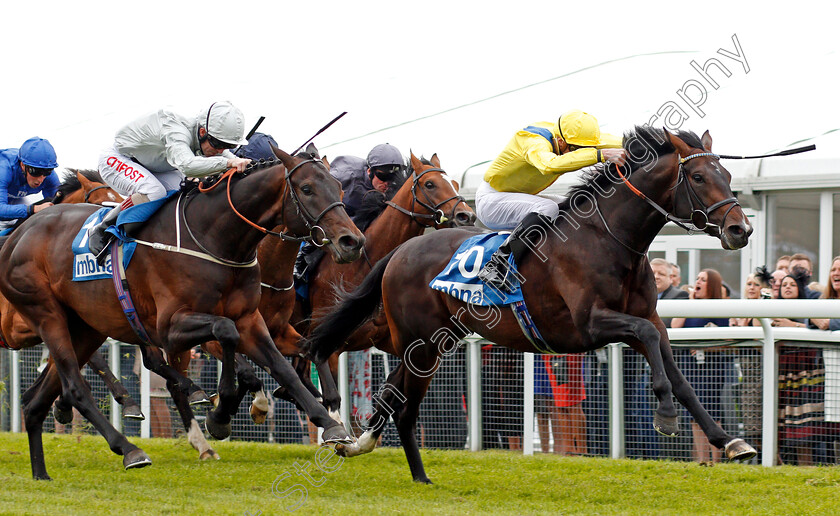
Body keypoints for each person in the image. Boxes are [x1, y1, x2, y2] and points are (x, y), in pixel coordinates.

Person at [475, 110, 626, 291]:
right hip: (491, 200)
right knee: (547, 208)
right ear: (561, 142)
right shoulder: (532, 141)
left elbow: (625, 141)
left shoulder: (573, 137)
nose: (581, 154)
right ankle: (497, 265)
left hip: (518, 197)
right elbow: (549, 165)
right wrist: (599, 155)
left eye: (586, 149)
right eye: (577, 150)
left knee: (574, 206)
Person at [87, 101, 252, 260]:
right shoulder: (176, 130)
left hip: (151, 167)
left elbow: (230, 159)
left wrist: (249, 165)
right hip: (117, 158)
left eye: (227, 146)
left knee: (181, 193)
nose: (221, 150)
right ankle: (102, 228)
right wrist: (229, 163)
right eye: (218, 144)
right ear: (202, 132)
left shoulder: (207, 138)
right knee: (154, 191)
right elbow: (187, 166)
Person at [293, 143, 405, 282]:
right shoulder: (344, 175)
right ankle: (300, 264)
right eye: (383, 177)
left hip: (356, 216)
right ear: (370, 171)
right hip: (333, 212)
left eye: (393, 178)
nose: (388, 183)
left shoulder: (389, 187)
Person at [671, 268, 732, 464]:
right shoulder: (690, 305)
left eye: (703, 279)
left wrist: (707, 346)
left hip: (712, 367)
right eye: (697, 278)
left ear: (712, 284)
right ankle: (702, 459)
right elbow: (675, 326)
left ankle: (716, 459)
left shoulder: (720, 308)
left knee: (712, 410)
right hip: (690, 366)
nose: (698, 281)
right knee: (693, 412)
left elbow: (728, 338)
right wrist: (690, 299)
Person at [0, 137, 60, 234]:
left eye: (46, 172)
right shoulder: (4, 170)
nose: (40, 179)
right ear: (23, 165)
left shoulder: (50, 177)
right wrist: (33, 209)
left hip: (13, 197)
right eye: (36, 172)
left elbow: (56, 204)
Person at [651, 258, 688, 328]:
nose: (656, 277)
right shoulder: (640, 297)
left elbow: (666, 323)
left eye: (661, 274)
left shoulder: (680, 295)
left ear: (671, 278)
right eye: (652, 273)